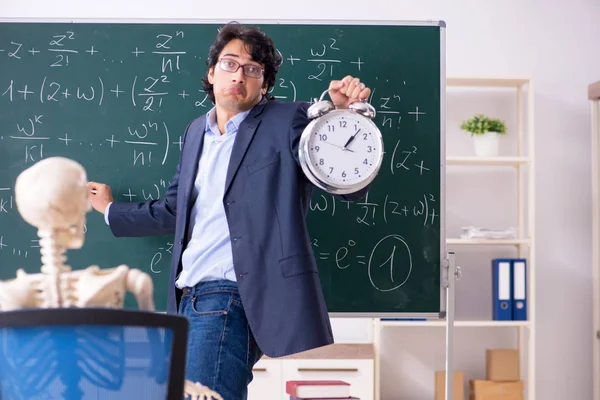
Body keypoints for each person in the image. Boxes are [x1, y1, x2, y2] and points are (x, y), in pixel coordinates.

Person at [88, 22, 372, 400]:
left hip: (231, 294)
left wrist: (341, 117)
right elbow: (175, 210)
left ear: (265, 84)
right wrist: (110, 210)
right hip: (185, 297)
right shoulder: (194, 133)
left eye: (253, 69)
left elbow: (346, 183)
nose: (240, 75)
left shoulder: (290, 120)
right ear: (211, 72)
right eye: (230, 63)